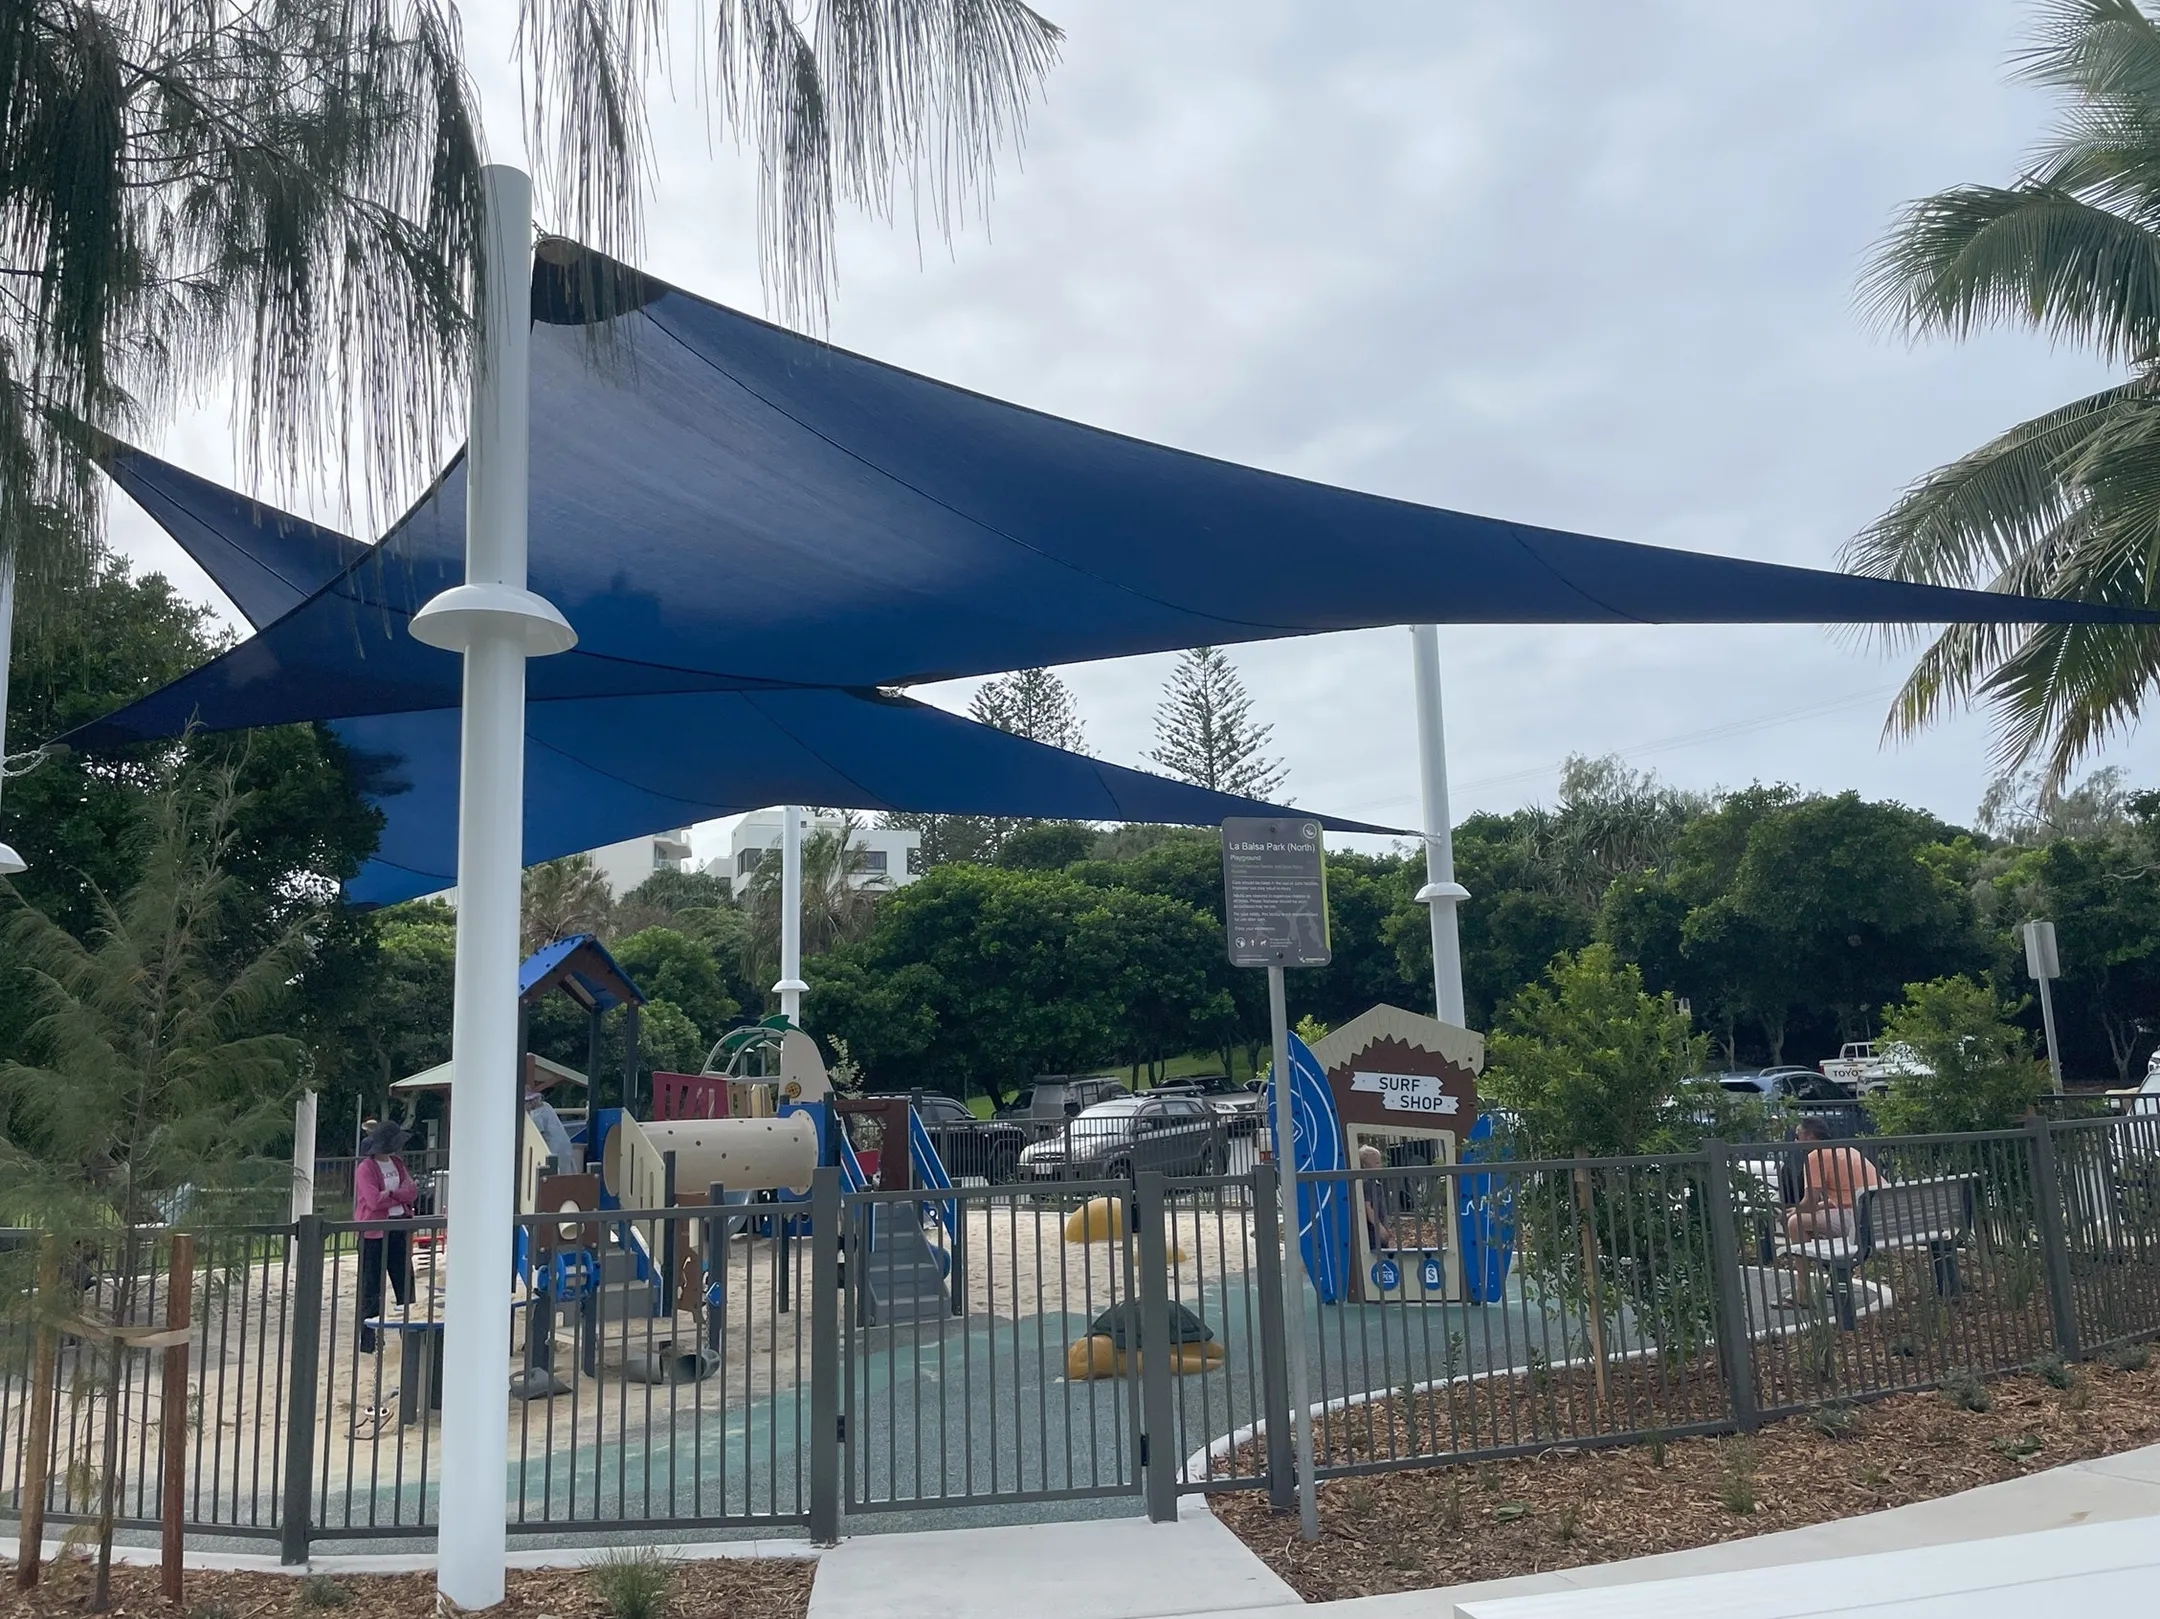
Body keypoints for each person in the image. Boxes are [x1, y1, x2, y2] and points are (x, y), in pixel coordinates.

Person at [353, 1119, 416, 1353]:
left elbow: (412, 1192)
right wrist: (398, 1195)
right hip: (374, 1232)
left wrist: (390, 1193)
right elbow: (372, 1200)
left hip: (398, 1226)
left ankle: (410, 1336)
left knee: (405, 1284)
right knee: (371, 1287)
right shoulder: (365, 1168)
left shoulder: (398, 1164)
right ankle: (369, 1341)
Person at [524, 1080, 578, 1165]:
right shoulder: (547, 1106)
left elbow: (538, 1136)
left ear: (530, 1102)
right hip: (565, 1147)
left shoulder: (536, 1115)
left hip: (552, 1151)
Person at [1359, 1143, 1395, 1250]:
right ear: (1365, 1166)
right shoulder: (1367, 1184)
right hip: (1373, 1230)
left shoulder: (1376, 1183)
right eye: (1377, 1163)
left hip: (1380, 1226)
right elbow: (1368, 1208)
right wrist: (1379, 1228)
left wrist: (1385, 1227)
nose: (1380, 1166)